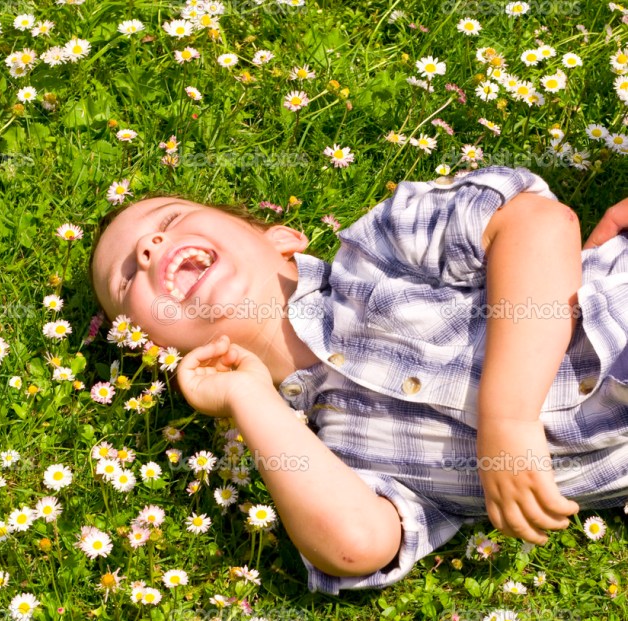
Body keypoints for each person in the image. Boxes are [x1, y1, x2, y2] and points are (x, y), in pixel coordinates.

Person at [90, 166, 628, 594]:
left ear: (280, 237)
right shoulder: (330, 453)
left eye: (172, 218)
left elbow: (538, 223)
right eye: (128, 277)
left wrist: (507, 418)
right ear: (154, 350)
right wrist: (249, 397)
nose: (149, 248)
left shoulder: (383, 250)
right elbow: (357, 544)